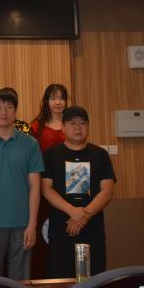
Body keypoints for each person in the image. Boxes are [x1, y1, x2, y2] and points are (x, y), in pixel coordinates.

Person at [0, 88, 44, 280]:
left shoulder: (30, 144)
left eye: (9, 107)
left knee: (21, 281)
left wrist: (32, 224)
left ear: (15, 111)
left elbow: (35, 187)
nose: (4, 112)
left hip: (22, 224)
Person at [42, 106, 116, 279]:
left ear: (88, 126)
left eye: (82, 123)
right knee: (60, 278)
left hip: (92, 228)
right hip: (61, 228)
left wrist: (84, 215)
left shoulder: (100, 154)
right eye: (72, 123)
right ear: (63, 127)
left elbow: (107, 191)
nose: (78, 127)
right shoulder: (51, 155)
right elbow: (46, 189)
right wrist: (72, 211)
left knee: (94, 279)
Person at [31, 84, 69, 153]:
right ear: (46, 101)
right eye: (53, 98)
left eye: (61, 98)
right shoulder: (36, 126)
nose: (58, 102)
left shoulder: (72, 124)